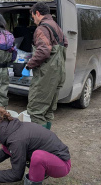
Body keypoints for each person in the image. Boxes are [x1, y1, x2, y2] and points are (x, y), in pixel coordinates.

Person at [0, 107, 71, 185]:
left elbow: (16, 174)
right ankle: (41, 172)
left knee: (37, 157)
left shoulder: (16, 139)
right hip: (51, 158)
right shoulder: (8, 128)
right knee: (31, 154)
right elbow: (8, 150)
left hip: (61, 164)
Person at [25, 2, 68, 130]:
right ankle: (47, 141)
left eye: (33, 17)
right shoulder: (56, 26)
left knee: (36, 111)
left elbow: (43, 51)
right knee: (48, 110)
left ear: (37, 13)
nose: (34, 20)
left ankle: (39, 144)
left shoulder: (42, 28)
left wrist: (29, 65)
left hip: (46, 76)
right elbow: (65, 44)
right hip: (58, 74)